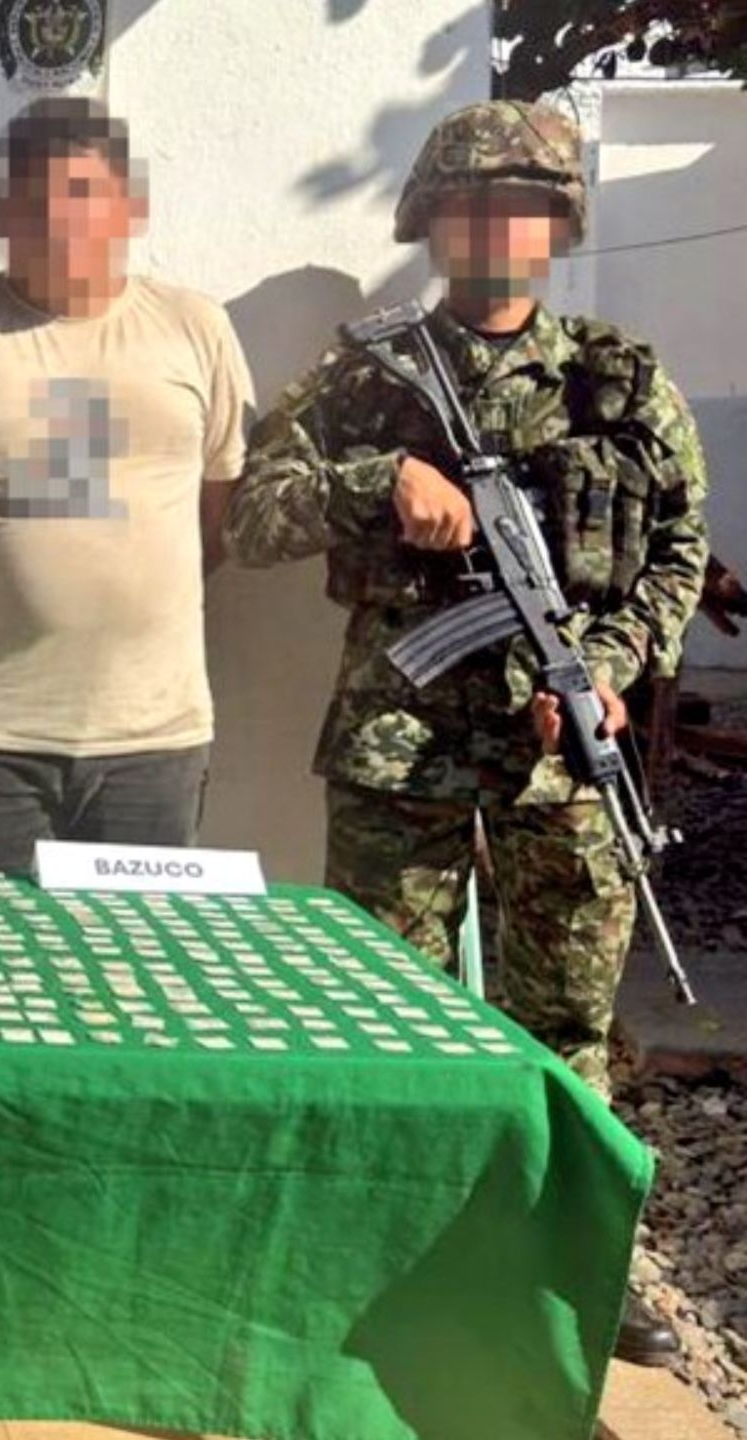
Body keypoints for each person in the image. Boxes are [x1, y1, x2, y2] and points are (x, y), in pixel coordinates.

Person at [225, 99, 710, 1367]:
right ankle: (380, 1264)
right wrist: (379, 482)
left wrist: (607, 669)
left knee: (568, 1031)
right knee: (379, 1018)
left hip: (565, 758)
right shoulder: (367, 374)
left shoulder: (616, 379)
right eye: (472, 206)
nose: (497, 230)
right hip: (403, 746)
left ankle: (575, 1265)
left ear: (557, 228)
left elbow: (679, 548)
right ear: (433, 224)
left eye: (523, 209)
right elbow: (253, 516)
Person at [0, 98, 253, 874]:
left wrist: (121, 597)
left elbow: (220, 508)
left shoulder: (195, 329)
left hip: (151, 735)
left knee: (136, 951)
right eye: (37, 198)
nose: (63, 219)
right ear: (2, 215)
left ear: (130, 208)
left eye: (84, 194)